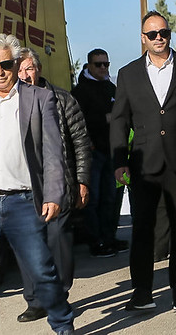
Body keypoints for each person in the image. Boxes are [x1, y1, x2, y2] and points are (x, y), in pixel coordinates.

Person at [0, 34, 74, 334]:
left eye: (5, 64)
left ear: (15, 64)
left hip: (24, 202)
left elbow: (53, 151)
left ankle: (62, 324)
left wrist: (53, 194)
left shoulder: (39, 98)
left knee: (42, 272)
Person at [110, 11, 176, 311]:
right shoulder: (128, 74)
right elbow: (119, 121)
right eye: (152, 34)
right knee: (142, 230)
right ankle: (142, 291)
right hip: (144, 165)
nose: (158, 38)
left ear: (169, 34)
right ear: (143, 38)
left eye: (163, 32)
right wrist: (119, 160)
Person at [15, 49, 91, 324]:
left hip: (59, 184)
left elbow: (81, 142)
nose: (24, 75)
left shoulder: (62, 99)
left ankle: (58, 295)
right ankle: (35, 301)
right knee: (27, 243)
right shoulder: (10, 103)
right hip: (24, 187)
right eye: (19, 70)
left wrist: (82, 180)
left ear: (38, 68)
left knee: (58, 240)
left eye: (28, 68)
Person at [71, 48, 120, 257]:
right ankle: (96, 241)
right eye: (98, 64)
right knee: (93, 199)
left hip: (111, 151)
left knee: (110, 198)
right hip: (92, 153)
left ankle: (109, 238)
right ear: (89, 66)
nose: (103, 68)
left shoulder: (111, 87)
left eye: (106, 64)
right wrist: (106, 119)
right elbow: (78, 122)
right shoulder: (80, 92)